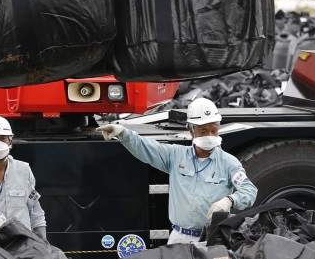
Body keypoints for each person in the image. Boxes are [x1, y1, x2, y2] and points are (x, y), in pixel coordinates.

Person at [97, 98, 257, 244]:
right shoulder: (176, 156)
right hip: (179, 238)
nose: (210, 135)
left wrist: (229, 200)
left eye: (214, 130)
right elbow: (145, 148)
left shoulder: (228, 163)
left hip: (213, 238)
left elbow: (249, 190)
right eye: (203, 131)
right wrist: (123, 133)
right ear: (191, 130)